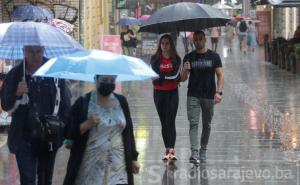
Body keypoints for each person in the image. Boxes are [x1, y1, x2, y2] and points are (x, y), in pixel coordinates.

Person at [1, 45, 71, 185]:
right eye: (30, 51)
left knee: (46, 179)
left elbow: (65, 104)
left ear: (43, 50)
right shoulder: (15, 74)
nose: (34, 55)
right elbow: (5, 105)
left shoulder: (55, 73)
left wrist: (61, 128)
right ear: (23, 51)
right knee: (28, 179)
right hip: (24, 137)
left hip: (49, 136)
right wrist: (17, 94)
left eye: (38, 51)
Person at [63, 75, 140, 185]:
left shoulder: (121, 101)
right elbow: (67, 132)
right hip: (90, 168)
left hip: (118, 166)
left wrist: (133, 157)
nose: (108, 83)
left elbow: (128, 132)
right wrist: (86, 124)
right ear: (96, 80)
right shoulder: (83, 102)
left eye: (112, 80)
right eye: (104, 80)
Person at [181, 31, 224, 164]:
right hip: (193, 95)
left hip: (209, 95)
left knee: (207, 124)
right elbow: (183, 79)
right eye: (196, 40)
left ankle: (203, 150)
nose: (198, 42)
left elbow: (220, 75)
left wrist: (218, 92)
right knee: (193, 123)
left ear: (205, 40)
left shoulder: (214, 56)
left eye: (200, 39)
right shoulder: (189, 57)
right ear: (193, 41)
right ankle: (194, 152)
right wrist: (185, 69)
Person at [150, 34, 181, 161]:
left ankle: (172, 150)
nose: (164, 46)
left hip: (172, 93)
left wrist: (161, 77)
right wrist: (163, 77)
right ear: (159, 45)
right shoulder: (154, 59)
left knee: (170, 121)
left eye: (167, 43)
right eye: (162, 43)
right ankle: (167, 149)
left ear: (171, 45)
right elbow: (154, 79)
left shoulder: (177, 59)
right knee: (163, 122)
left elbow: (175, 76)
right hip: (158, 94)